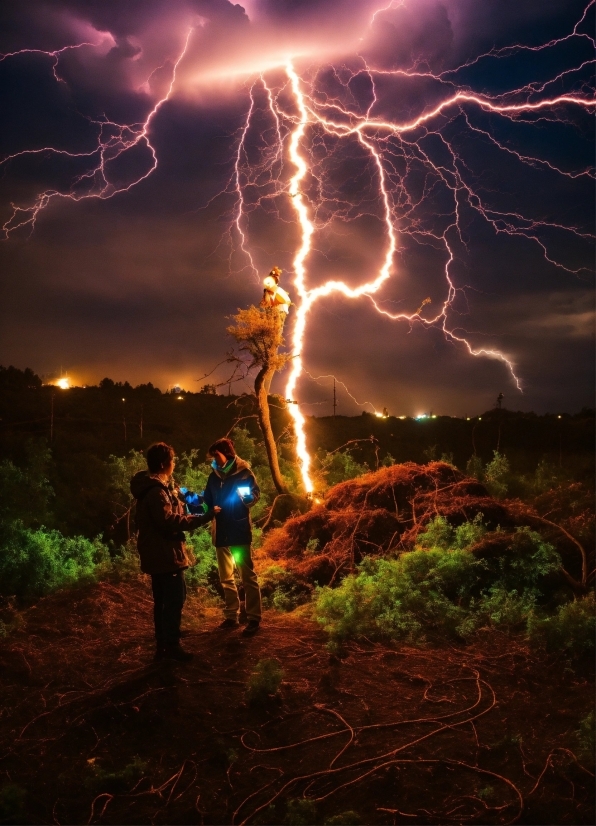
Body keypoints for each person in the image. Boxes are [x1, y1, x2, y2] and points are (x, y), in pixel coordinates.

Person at [130, 442, 219, 661]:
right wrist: (204, 518)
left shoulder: (156, 488)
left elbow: (176, 509)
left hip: (157, 554)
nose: (174, 463)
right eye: (172, 460)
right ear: (163, 464)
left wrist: (189, 501)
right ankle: (171, 646)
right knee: (173, 600)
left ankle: (163, 645)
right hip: (165, 554)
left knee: (162, 601)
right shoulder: (156, 492)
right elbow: (169, 521)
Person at [203, 437, 262, 637]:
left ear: (226, 453)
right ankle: (231, 616)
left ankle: (253, 618)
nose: (214, 460)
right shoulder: (214, 476)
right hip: (221, 532)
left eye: (216, 455)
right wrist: (200, 506)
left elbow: (255, 495)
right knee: (226, 577)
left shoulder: (244, 473)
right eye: (212, 457)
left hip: (238, 530)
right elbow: (207, 501)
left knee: (247, 576)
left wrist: (248, 499)